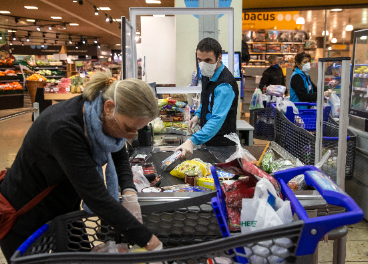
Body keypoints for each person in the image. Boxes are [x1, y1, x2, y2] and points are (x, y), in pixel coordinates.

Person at [0, 72, 162, 262]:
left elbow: (119, 154)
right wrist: (150, 242)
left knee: (81, 258)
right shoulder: (64, 129)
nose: (132, 136)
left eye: (139, 129)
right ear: (109, 108)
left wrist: (128, 191)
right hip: (26, 216)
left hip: (64, 207)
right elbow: (96, 197)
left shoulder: (98, 113)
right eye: (129, 128)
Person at [177, 38, 239, 158]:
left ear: (219, 57)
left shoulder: (225, 85)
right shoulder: (207, 73)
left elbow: (217, 119)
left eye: (208, 60)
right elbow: (207, 99)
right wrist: (198, 115)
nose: (203, 64)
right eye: (199, 59)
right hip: (208, 140)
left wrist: (192, 141)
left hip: (222, 145)